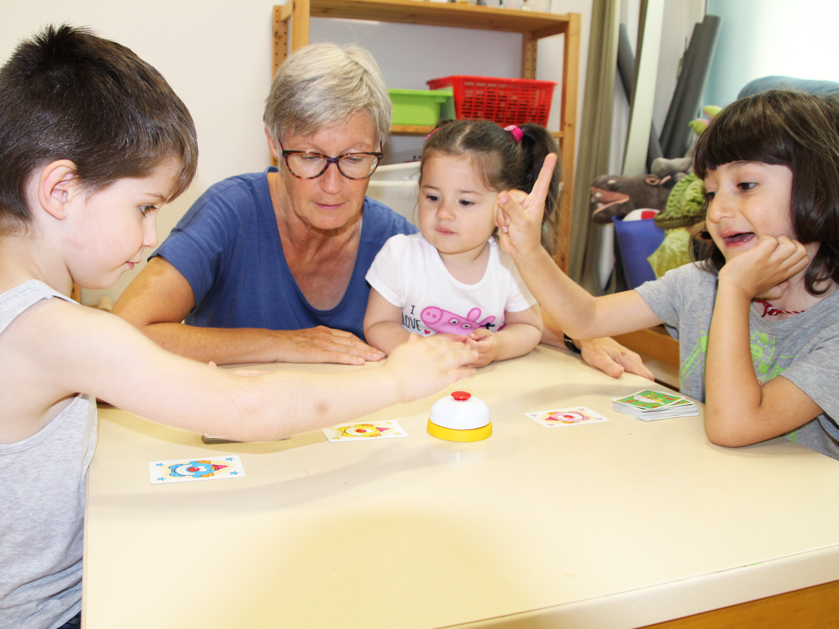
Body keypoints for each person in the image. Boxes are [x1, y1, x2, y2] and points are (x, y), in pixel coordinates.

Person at [0, 25, 476, 629]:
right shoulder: (57, 332)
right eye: (144, 207)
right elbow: (250, 408)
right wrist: (399, 381)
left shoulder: (30, 310)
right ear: (60, 190)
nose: (150, 236)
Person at [111, 42, 653, 380]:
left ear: (381, 149)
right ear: (274, 144)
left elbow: (493, 310)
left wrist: (583, 334)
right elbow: (125, 332)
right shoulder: (231, 212)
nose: (332, 185)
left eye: (354, 159)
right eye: (309, 157)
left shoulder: (395, 237)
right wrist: (283, 343)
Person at [496, 89, 839, 460]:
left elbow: (734, 426)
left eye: (745, 186)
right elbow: (587, 319)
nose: (718, 212)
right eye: (711, 193)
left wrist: (736, 291)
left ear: (820, 187)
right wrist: (528, 250)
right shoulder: (700, 282)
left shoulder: (817, 320)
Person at [364, 120, 557, 367]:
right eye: (433, 197)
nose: (444, 212)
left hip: (485, 383)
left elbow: (529, 327)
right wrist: (422, 348)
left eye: (465, 202)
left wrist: (499, 346)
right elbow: (378, 325)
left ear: (503, 205)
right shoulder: (399, 254)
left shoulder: (510, 262)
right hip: (416, 379)